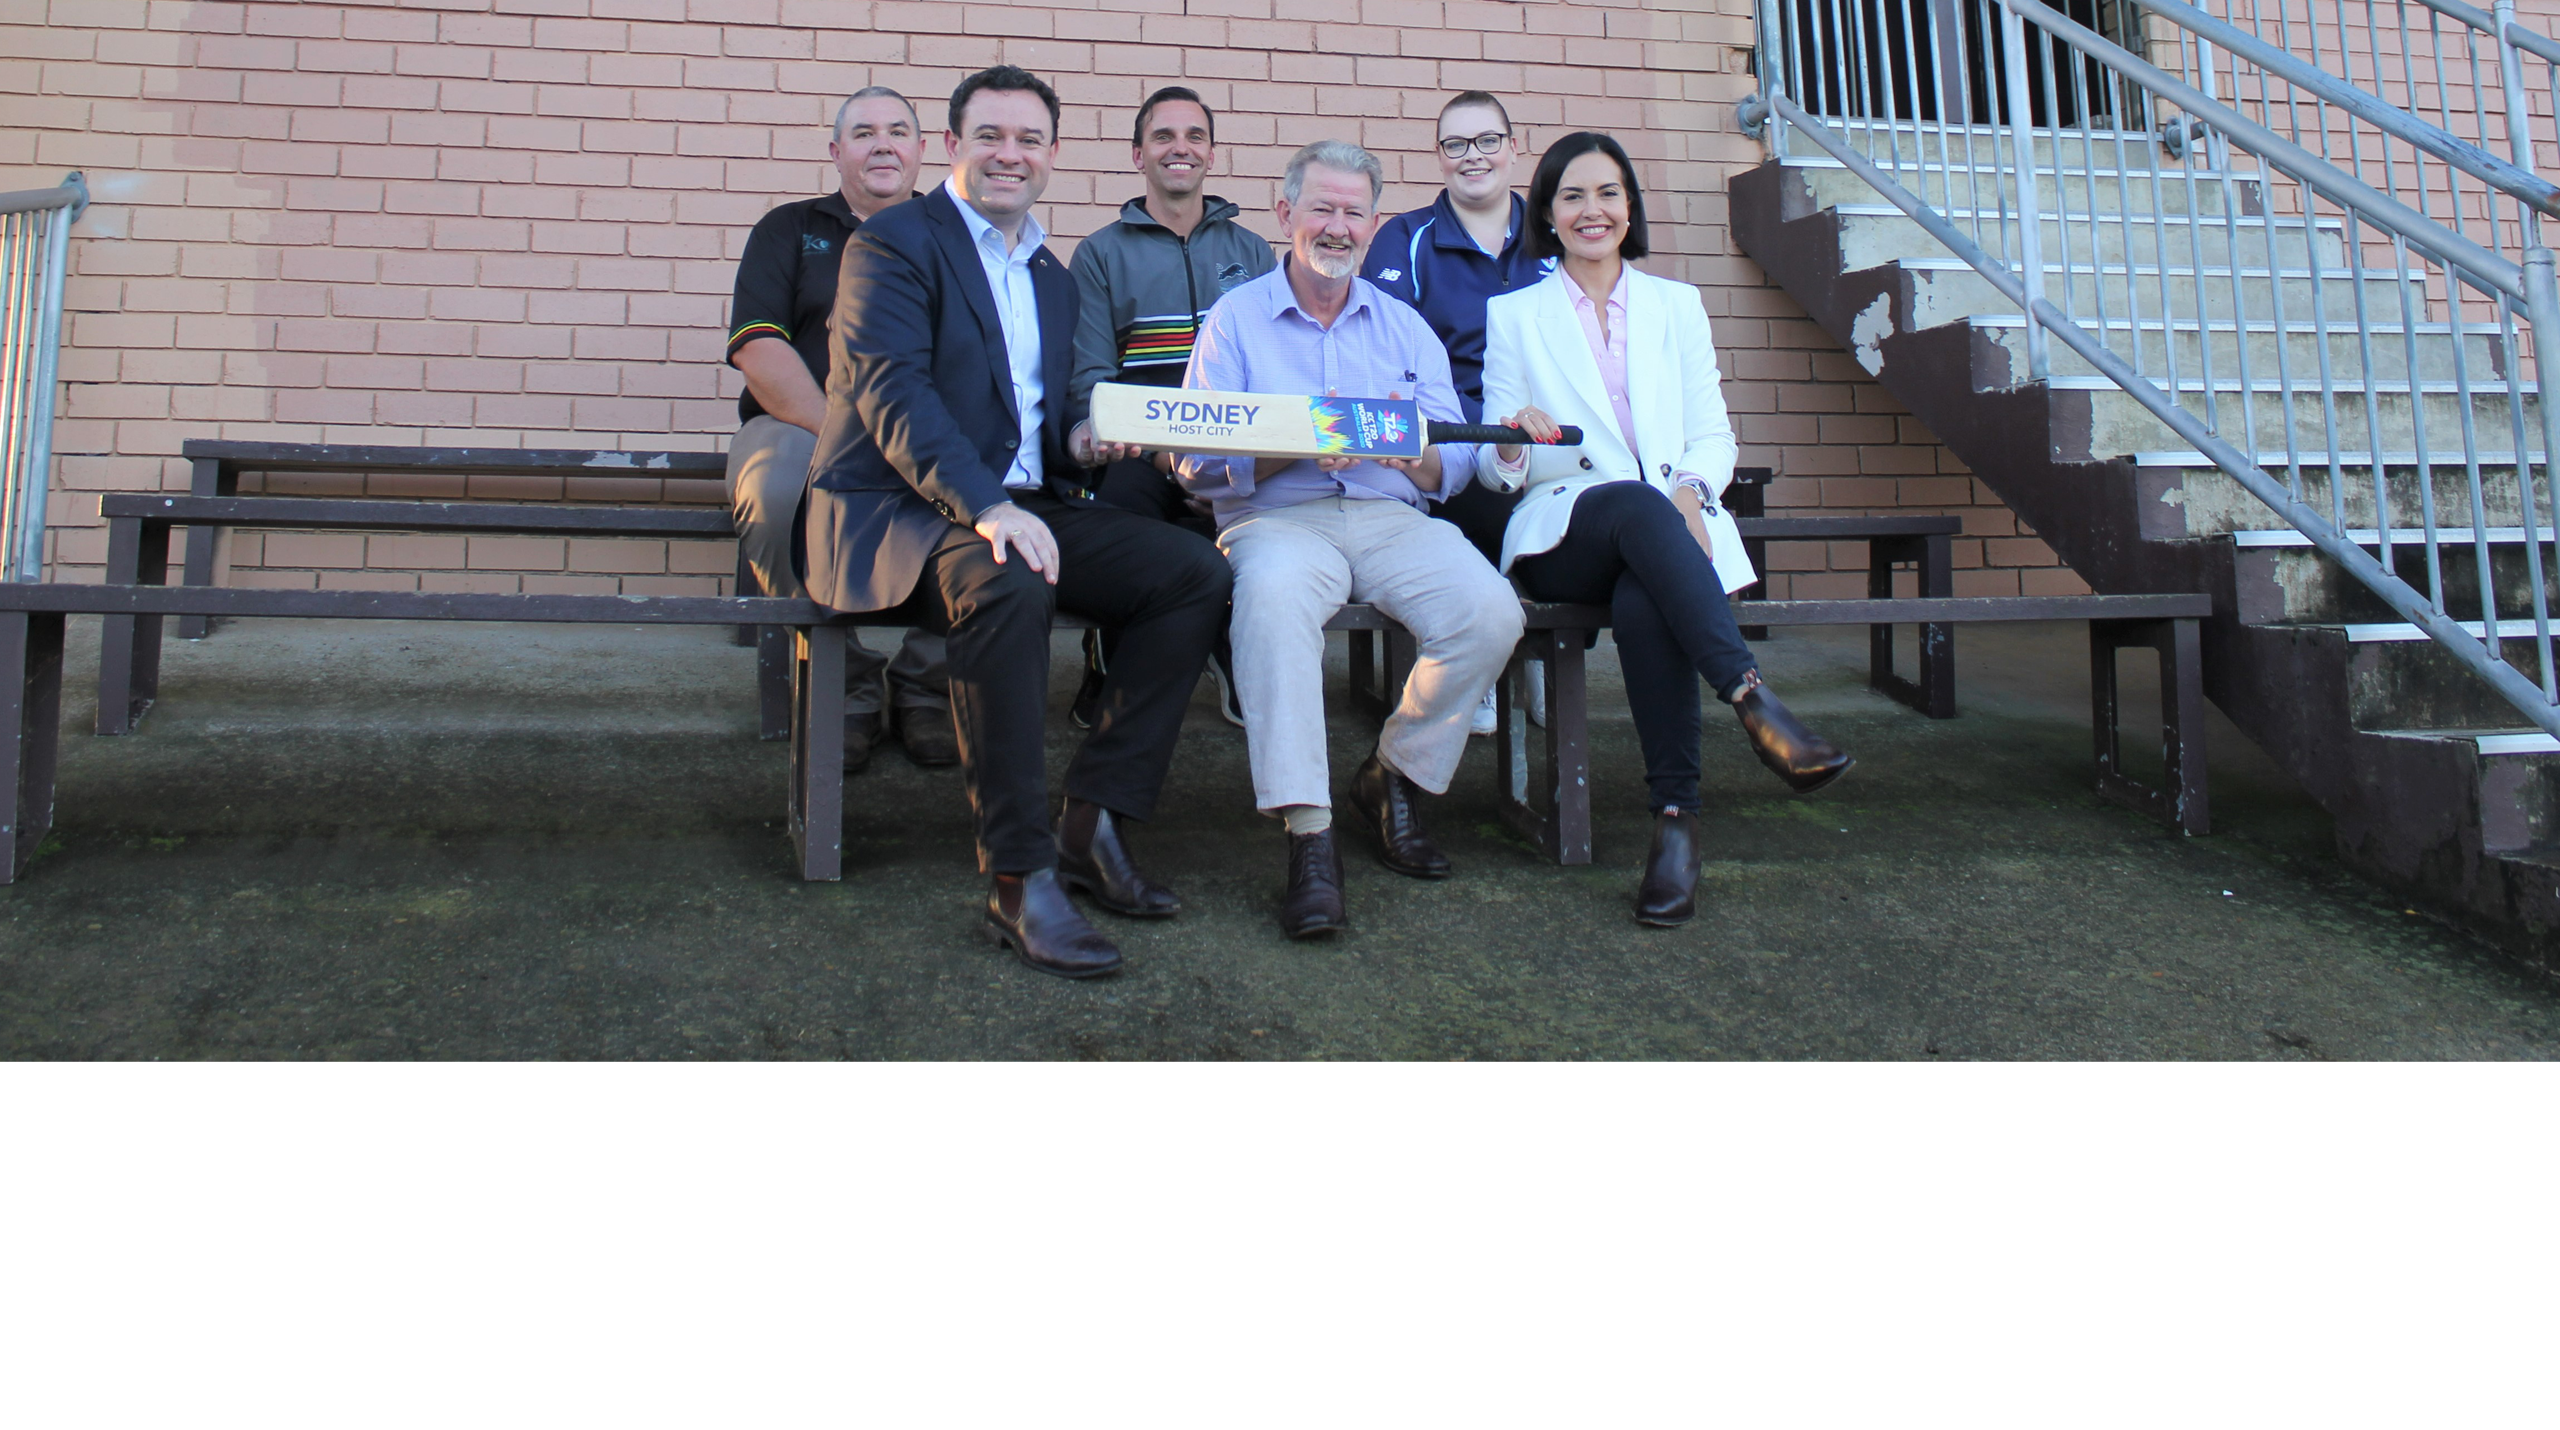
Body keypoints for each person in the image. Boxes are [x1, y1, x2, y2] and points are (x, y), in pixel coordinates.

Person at [802, 66, 1233, 978]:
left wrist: (1086, 438)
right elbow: (894, 393)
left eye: (1029, 139)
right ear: (953, 146)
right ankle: (1018, 873)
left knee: (1194, 574)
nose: (1010, 155)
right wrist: (990, 505)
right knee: (1008, 579)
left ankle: (1094, 820)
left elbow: (1036, 420)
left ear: (1053, 156)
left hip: (1017, 507)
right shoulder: (893, 243)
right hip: (897, 513)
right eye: (990, 136)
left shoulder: (1046, 273)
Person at [1478, 132, 1852, 929]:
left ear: (1630, 207)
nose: (1592, 210)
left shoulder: (1676, 306)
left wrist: (1688, 487)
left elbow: (1713, 434)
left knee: (1649, 596)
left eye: (1608, 193)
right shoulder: (1513, 315)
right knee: (1632, 509)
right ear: (1546, 211)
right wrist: (1511, 437)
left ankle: (1675, 827)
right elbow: (1494, 468)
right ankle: (1752, 701)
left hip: (1666, 534)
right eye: (1572, 195)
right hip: (1564, 531)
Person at [1178, 140, 1524, 941]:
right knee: (1269, 605)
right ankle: (1309, 837)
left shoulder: (1404, 328)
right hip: (1276, 518)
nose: (1337, 228)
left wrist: (1416, 452)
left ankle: (1393, 776)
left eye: (1353, 214)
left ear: (1374, 225)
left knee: (1490, 610)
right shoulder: (1235, 321)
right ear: (1285, 214)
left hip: (1389, 515)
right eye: (1321, 209)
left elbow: (1458, 457)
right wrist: (1292, 442)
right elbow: (1192, 462)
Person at [724, 86, 955, 770]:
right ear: (836, 152)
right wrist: (841, 434)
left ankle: (928, 684)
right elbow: (758, 346)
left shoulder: (956, 238)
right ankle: (842, 682)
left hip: (924, 428)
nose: (882, 143)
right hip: (801, 426)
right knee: (772, 492)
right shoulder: (789, 229)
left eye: (897, 131)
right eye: (863, 132)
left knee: (988, 480)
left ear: (923, 150)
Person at [1065, 84, 1273, 729]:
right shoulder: (1100, 254)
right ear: (1137, 155)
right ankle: (1111, 662)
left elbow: (1270, 379)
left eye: (1194, 137)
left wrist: (1230, 470)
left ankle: (1238, 651)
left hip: (1234, 445)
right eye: (1163, 136)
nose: (1180, 148)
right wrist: (1170, 460)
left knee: (1272, 520)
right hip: (1141, 453)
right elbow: (1094, 380)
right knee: (1123, 516)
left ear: (1211, 154)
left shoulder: (1254, 253)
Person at [1363, 90, 1553, 738]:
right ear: (1439, 157)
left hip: (1546, 432)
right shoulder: (1405, 238)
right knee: (1480, 490)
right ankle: (1484, 660)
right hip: (1454, 429)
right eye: (1455, 144)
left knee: (1585, 501)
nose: (1473, 156)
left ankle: (1537, 649)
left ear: (1512, 146)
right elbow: (1387, 352)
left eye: (1486, 140)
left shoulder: (1553, 237)